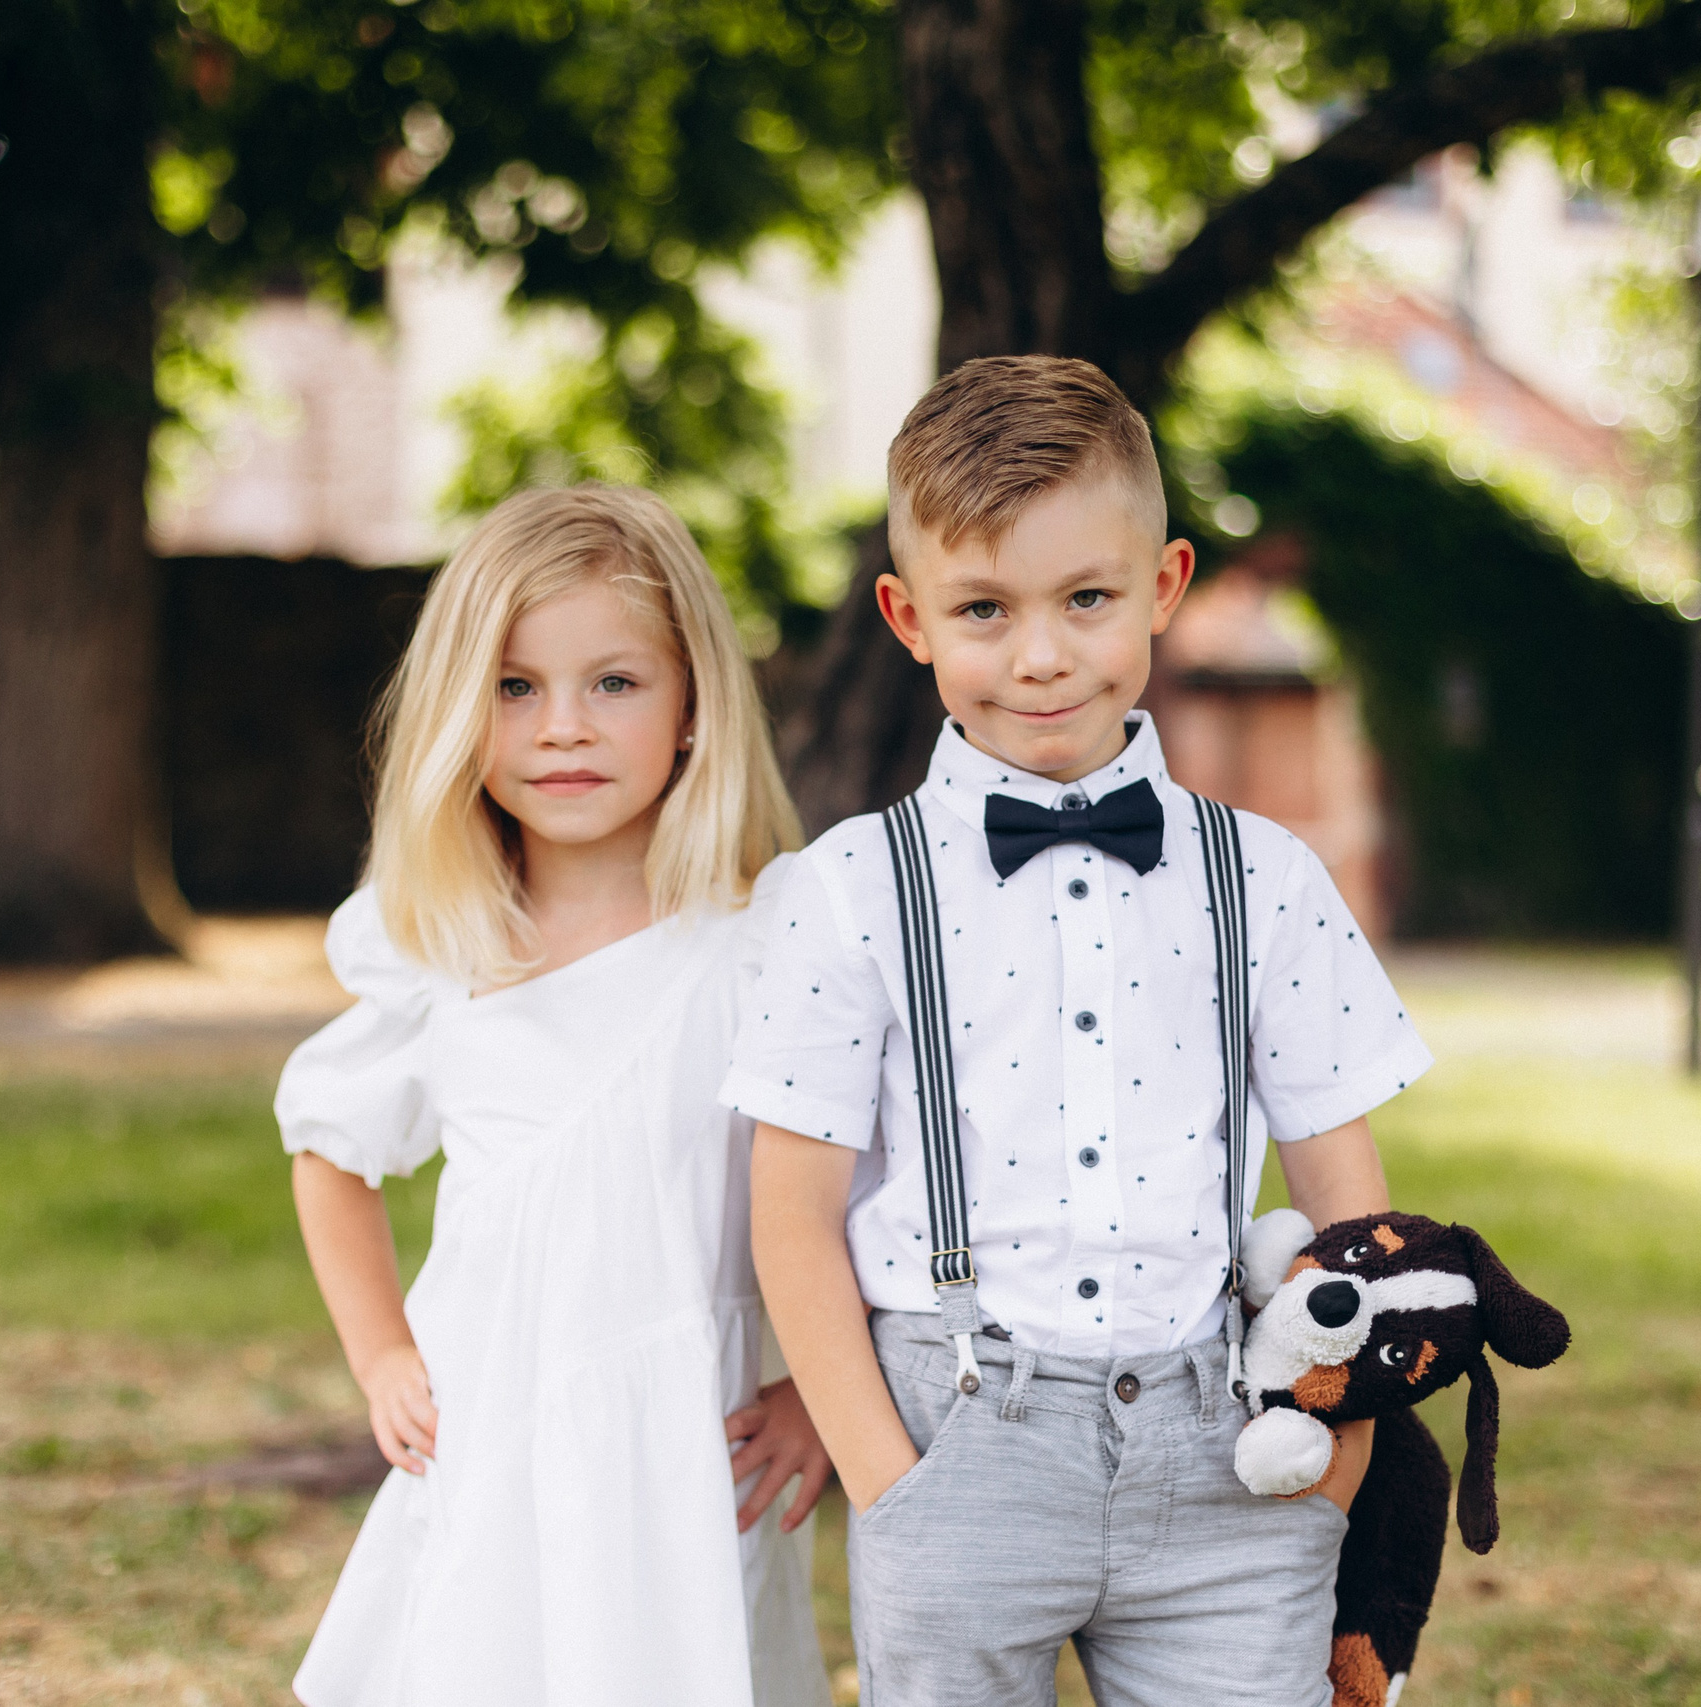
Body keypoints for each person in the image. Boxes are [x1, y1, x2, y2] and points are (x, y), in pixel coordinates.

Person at [732, 357, 1435, 1707]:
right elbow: (790, 1215)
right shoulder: (844, 891)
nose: (1041, 651)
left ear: (1166, 586)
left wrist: (1337, 1438)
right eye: (984, 607)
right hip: (957, 1446)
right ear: (907, 614)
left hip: (1226, 1448)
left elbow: (1341, 1182)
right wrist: (892, 1483)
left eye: (1088, 599)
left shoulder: (1267, 875)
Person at [279, 485, 832, 1707]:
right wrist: (380, 1356)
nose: (562, 728)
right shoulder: (436, 946)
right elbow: (332, 1152)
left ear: (692, 705)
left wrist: (817, 1396)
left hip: (691, 1453)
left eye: (614, 684)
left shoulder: (765, 944)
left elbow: (871, 1193)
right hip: (494, 1437)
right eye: (515, 687)